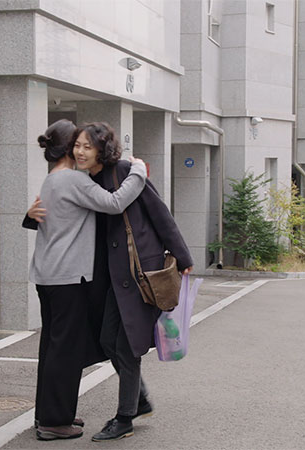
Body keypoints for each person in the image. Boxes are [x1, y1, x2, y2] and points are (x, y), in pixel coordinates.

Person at [69, 122, 194, 442]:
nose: (80, 152)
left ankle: (125, 417)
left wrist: (182, 257)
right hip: (114, 279)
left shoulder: (125, 171)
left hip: (141, 275)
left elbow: (159, 213)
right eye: (77, 146)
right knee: (108, 340)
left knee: (125, 345)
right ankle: (139, 400)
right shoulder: (87, 181)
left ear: (102, 149)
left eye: (87, 146)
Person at [28, 119, 147, 441]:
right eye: (78, 144)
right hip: (68, 277)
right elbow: (115, 203)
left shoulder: (52, 179)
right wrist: (138, 172)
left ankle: (48, 413)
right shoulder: (73, 180)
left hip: (48, 274)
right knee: (65, 351)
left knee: (52, 347)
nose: (83, 150)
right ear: (70, 147)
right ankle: (54, 422)